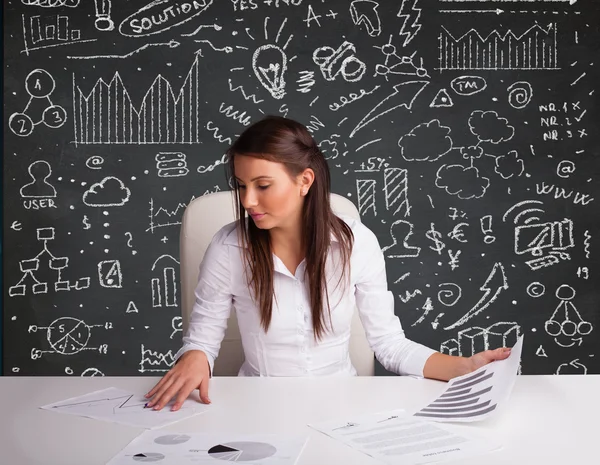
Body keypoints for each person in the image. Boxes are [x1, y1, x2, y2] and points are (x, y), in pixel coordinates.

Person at [145, 116, 511, 411]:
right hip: (256, 405)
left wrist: (464, 368)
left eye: (263, 185)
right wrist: (195, 356)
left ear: (304, 181)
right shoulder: (228, 247)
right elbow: (203, 338)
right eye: (241, 186)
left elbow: (389, 345)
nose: (247, 200)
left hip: (342, 406)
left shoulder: (356, 243)